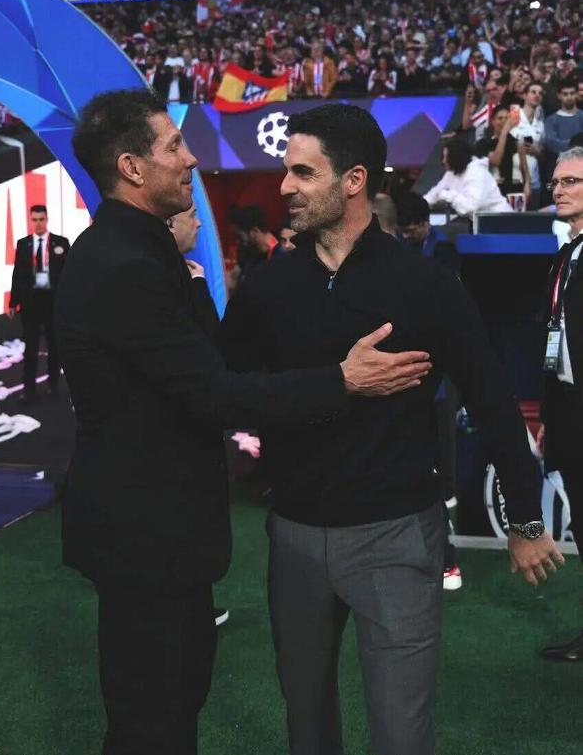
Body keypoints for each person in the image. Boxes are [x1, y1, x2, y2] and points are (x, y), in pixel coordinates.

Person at [54, 88, 434, 755]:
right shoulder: (123, 264)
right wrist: (341, 381)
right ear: (132, 167)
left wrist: (187, 273)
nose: (190, 158)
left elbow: (207, 361)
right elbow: (215, 389)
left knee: (170, 706)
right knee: (153, 721)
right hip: (145, 535)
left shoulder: (140, 252)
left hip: (157, 535)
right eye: (174, 145)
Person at [219, 103, 564, 755]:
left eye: (302, 172)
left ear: (354, 180)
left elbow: (490, 395)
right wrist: (334, 382)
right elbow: (224, 391)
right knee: (306, 728)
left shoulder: (423, 283)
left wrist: (524, 517)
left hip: (397, 535)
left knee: (402, 735)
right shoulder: (270, 287)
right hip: (295, 535)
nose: (285, 186)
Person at [396, 192, 461, 590]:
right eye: (401, 230)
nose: (406, 236)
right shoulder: (397, 251)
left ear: (424, 225)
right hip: (406, 378)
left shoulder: (444, 251)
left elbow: (447, 307)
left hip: (438, 377)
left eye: (411, 230)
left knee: (441, 467)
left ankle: (448, 557)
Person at [168, 202, 229, 629]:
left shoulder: (176, 273)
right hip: (176, 429)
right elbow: (212, 345)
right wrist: (199, 286)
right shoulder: (172, 281)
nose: (200, 222)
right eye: (191, 215)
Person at [540, 146, 583, 663]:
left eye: (571, 181)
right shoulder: (564, 256)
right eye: (555, 182)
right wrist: (551, 416)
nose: (558, 189)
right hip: (569, 411)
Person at [9, 204, 69, 402]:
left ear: (47, 219)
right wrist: (13, 302)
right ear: (30, 221)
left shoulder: (61, 242)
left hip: (53, 302)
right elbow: (18, 274)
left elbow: (69, 273)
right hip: (31, 303)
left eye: (41, 219)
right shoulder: (23, 244)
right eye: (35, 220)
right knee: (31, 347)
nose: (38, 223)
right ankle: (29, 389)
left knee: (54, 344)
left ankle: (53, 384)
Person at [424, 139, 512, 222]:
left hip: (501, 221)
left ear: (457, 157)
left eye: (447, 157)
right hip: (482, 222)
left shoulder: (477, 173)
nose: (443, 161)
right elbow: (435, 193)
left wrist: (447, 195)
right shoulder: (451, 173)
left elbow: (470, 207)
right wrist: (421, 206)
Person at [475, 104, 532, 208]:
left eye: (506, 118)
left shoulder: (516, 142)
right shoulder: (484, 144)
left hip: (516, 191)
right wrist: (504, 132)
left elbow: (524, 168)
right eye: (500, 118)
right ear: (493, 121)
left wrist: (527, 185)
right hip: (495, 192)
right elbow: (496, 161)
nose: (504, 121)